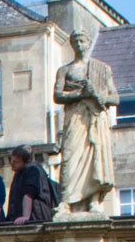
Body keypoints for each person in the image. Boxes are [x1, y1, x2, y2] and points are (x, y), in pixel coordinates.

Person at [52, 29, 118, 215]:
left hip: (95, 118)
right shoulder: (65, 69)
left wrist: (98, 96)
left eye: (82, 41)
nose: (79, 45)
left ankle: (93, 200)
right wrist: (81, 94)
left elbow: (115, 98)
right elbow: (57, 95)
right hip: (74, 117)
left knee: (95, 158)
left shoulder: (102, 68)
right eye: (75, 42)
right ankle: (66, 202)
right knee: (70, 157)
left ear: (89, 43)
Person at [7, 146, 58, 225]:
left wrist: (26, 216)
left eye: (16, 162)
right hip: (24, 220)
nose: (12, 164)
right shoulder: (20, 173)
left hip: (35, 219)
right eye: (12, 160)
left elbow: (29, 194)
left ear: (25, 162)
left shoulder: (33, 170)